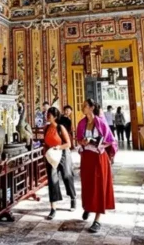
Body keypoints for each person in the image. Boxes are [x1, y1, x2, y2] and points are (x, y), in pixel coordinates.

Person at [77, 99, 117, 233]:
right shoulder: (81, 123)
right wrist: (83, 142)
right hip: (86, 158)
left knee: (98, 186)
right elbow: (78, 139)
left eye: (85, 106)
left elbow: (110, 140)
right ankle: (88, 206)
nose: (83, 108)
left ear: (92, 108)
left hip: (98, 158)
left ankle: (97, 219)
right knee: (87, 184)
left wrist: (96, 142)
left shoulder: (100, 122)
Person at [43, 107, 77, 219]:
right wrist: (46, 153)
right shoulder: (46, 128)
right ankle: (53, 208)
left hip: (63, 154)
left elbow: (68, 144)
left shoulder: (60, 127)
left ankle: (73, 197)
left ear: (55, 117)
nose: (47, 116)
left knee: (67, 176)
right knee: (52, 180)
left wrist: (58, 147)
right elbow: (46, 143)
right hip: (51, 156)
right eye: (47, 114)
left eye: (49, 115)